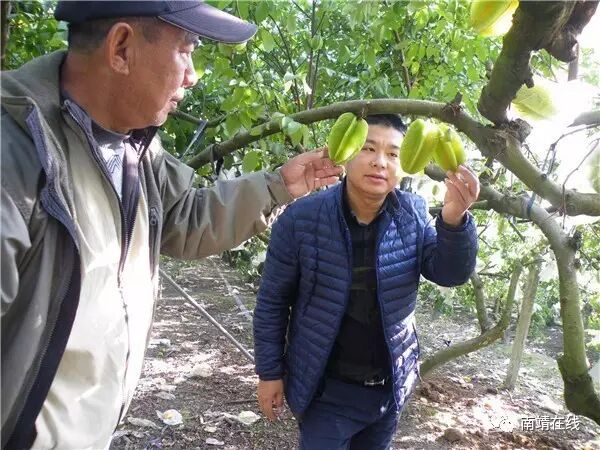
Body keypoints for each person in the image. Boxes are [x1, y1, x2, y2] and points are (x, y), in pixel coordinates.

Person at [0, 2, 343, 449]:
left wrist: (279, 185)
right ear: (121, 48)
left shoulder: (133, 146)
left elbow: (185, 217)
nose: (193, 75)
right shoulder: (17, 156)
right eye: (187, 49)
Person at [253, 114, 479, 449]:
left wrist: (454, 219)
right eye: (369, 148)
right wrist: (269, 372)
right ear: (347, 152)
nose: (380, 162)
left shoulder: (413, 213)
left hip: (388, 389)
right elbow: (273, 301)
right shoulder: (302, 219)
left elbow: (449, 273)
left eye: (393, 154)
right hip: (326, 392)